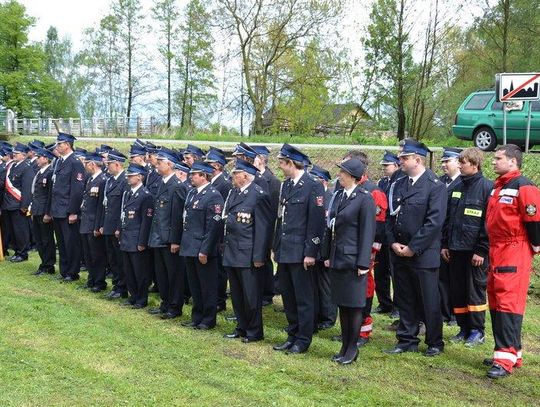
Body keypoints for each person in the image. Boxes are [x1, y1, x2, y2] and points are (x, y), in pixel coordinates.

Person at [385, 139, 447, 356]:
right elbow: (390, 217)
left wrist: (412, 247)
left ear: (417, 160)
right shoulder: (399, 184)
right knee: (404, 297)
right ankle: (406, 338)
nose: (399, 161)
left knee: (428, 299)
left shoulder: (435, 186)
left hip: (422, 254)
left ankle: (434, 342)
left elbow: (434, 222)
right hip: (399, 251)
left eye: (404, 157)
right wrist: (392, 242)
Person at [484, 144, 540, 379]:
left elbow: (534, 216)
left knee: (508, 301)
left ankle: (504, 357)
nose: (493, 162)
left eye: (498, 158)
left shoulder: (524, 185)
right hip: (497, 247)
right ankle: (509, 352)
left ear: (512, 162)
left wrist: (535, 245)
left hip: (514, 248)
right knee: (496, 300)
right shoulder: (499, 186)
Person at [272, 144, 325, 354]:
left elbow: (317, 222)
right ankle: (292, 334)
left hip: (301, 252)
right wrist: (276, 246)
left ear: (291, 163)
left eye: (282, 163)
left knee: (303, 297)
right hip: (285, 250)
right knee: (288, 295)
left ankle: (303, 338)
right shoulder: (286, 186)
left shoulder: (313, 185)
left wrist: (310, 252)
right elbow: (281, 219)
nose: (280, 167)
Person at [322, 158, 376, 364]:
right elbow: (331, 227)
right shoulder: (339, 196)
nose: (339, 176)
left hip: (354, 262)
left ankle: (352, 349)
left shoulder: (364, 199)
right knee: (343, 305)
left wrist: (363, 263)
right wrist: (327, 255)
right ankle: (344, 345)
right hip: (338, 259)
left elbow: (367, 233)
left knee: (353, 307)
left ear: (352, 176)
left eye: (343, 173)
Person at [441, 147, 492, 347]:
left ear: (475, 164)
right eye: (459, 162)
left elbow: (489, 223)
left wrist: (481, 249)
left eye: (463, 163)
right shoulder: (455, 187)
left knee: (475, 291)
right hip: (455, 249)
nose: (460, 166)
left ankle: (477, 331)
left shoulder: (488, 188)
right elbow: (447, 218)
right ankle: (463, 328)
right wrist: (445, 244)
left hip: (475, 252)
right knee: (458, 290)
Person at [222, 159, 272, 343]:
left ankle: (254, 331)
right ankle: (241, 327)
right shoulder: (234, 193)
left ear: (245, 175)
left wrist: (259, 256)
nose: (232, 177)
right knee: (237, 294)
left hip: (248, 253)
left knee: (251, 296)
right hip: (232, 251)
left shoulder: (258, 195)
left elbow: (263, 229)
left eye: (235, 174)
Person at [179, 161, 224, 330]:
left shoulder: (213, 196)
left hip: (203, 249)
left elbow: (213, 227)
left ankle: (208, 319)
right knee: (195, 286)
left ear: (204, 176)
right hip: (189, 246)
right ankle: (196, 316)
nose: (191, 177)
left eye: (194, 175)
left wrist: (205, 250)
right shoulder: (192, 193)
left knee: (207, 286)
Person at [147, 148, 187, 320]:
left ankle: (174, 306)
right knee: (162, 274)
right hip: (157, 236)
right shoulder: (163, 183)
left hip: (169, 239)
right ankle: (165, 302)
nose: (157, 164)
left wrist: (175, 240)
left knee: (173, 275)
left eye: (160, 162)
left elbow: (177, 217)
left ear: (170, 164)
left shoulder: (176, 186)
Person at [50, 133, 85, 282]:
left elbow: (77, 189)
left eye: (60, 144)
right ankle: (64, 270)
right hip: (57, 208)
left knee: (71, 243)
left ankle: (72, 272)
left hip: (67, 210)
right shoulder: (59, 161)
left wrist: (73, 211)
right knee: (62, 243)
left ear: (68, 145)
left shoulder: (75, 162)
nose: (57, 146)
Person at [119, 163, 155, 309]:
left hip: (137, 239)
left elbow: (146, 222)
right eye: (128, 175)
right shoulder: (129, 193)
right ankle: (133, 296)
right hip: (127, 237)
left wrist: (142, 242)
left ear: (140, 177)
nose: (128, 178)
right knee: (129, 270)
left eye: (131, 175)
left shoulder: (145, 196)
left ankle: (141, 298)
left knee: (140, 271)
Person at [309, 165, 337, 331]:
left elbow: (330, 228)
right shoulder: (315, 196)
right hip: (314, 247)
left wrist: (327, 253)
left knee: (326, 285)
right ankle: (318, 313)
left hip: (325, 249)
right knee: (315, 284)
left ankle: (328, 316)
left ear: (323, 181)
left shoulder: (330, 197)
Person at [205, 148, 233, 313]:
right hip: (212, 231)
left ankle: (219, 300)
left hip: (220, 232)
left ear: (216, 166)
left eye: (209, 165)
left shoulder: (223, 183)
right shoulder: (215, 182)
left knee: (219, 269)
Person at [99, 150, 129, 300]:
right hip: (108, 225)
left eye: (109, 164)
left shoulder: (124, 181)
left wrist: (119, 227)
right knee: (112, 258)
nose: (107, 166)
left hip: (117, 227)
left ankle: (122, 287)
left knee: (119, 259)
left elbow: (124, 207)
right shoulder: (110, 180)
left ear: (117, 164)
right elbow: (106, 206)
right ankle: (116, 284)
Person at [439, 147, 463, 326]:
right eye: (442, 161)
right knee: (441, 278)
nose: (444, 164)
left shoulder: (463, 183)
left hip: (455, 238)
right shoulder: (440, 182)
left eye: (448, 161)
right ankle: (444, 311)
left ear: (458, 162)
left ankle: (455, 314)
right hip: (439, 238)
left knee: (455, 279)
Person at [374, 150, 400, 315]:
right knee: (380, 271)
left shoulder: (400, 182)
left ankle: (398, 307)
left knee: (396, 274)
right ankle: (384, 303)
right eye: (383, 165)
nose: (384, 168)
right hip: (381, 234)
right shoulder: (382, 182)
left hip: (393, 234)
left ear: (396, 165)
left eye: (387, 165)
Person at [79, 152, 108, 292]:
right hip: (86, 221)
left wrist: (98, 225)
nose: (84, 166)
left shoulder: (102, 180)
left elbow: (101, 207)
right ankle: (92, 279)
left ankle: (99, 281)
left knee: (97, 255)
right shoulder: (90, 179)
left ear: (92, 164)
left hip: (94, 223)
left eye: (86, 163)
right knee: (88, 254)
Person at [1, 143, 34, 262]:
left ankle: (22, 253)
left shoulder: (27, 168)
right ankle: (17, 251)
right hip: (8, 204)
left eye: (17, 153)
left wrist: (24, 206)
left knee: (21, 230)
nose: (14, 155)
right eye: (13, 153)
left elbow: (27, 189)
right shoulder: (13, 166)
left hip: (18, 204)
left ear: (24, 155)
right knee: (12, 230)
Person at [29, 148, 56, 275]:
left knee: (47, 239)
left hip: (44, 211)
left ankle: (49, 265)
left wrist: (48, 213)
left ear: (46, 159)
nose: (37, 159)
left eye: (39, 157)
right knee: (39, 239)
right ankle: (43, 263)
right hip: (36, 209)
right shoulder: (40, 172)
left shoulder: (50, 173)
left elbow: (50, 195)